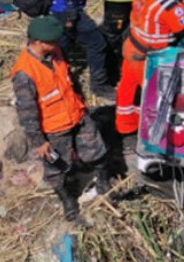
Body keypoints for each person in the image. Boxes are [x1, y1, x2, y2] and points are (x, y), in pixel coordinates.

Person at [11, 17, 111, 222]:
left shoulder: (55, 53)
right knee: (57, 168)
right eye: (53, 42)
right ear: (38, 42)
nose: (58, 44)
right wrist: (39, 141)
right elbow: (27, 112)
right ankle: (67, 199)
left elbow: (70, 81)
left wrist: (81, 103)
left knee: (96, 150)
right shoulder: (24, 73)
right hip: (54, 128)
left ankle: (104, 182)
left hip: (77, 114)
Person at [116, 0, 184, 135]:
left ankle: (125, 125)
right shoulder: (165, 5)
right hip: (149, 58)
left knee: (128, 87)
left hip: (132, 46)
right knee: (160, 96)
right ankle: (154, 133)